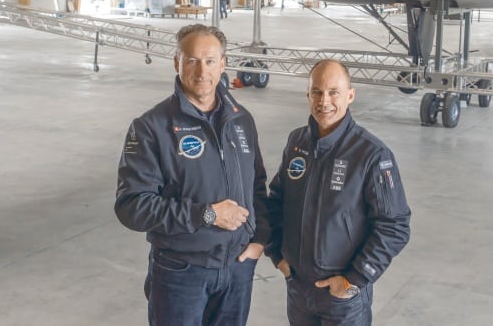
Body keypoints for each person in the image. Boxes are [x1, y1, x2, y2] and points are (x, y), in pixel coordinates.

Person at [115, 23, 269, 326]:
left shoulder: (242, 121)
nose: (202, 71)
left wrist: (260, 238)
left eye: (210, 61)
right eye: (192, 60)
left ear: (223, 64)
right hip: (181, 272)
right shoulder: (150, 127)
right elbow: (131, 206)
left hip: (237, 269)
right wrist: (206, 215)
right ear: (177, 63)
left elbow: (257, 186)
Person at [266, 59, 411, 325]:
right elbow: (277, 200)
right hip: (298, 289)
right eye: (317, 92)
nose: (325, 101)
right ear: (308, 94)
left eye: (334, 92)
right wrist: (277, 255)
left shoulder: (371, 154)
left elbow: (395, 226)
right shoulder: (297, 142)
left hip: (343, 297)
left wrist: (353, 280)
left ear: (350, 95)